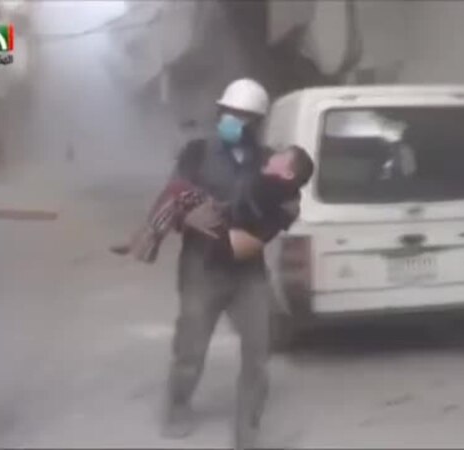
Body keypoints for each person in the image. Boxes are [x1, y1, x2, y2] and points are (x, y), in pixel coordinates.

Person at [150, 78, 294, 449]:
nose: (233, 120)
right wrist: (190, 214)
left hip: (248, 270)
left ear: (256, 122)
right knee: (191, 348)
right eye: (228, 113)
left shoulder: (269, 161)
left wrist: (270, 217)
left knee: (258, 353)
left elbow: (288, 206)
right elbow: (172, 195)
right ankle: (178, 403)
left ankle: (248, 431)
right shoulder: (196, 153)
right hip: (202, 268)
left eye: (242, 116)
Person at [113, 145, 314, 264]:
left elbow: (245, 209)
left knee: (178, 193)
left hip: (228, 233)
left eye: (282, 157)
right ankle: (147, 242)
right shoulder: (275, 187)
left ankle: (147, 244)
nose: (275, 155)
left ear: (287, 174)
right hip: (228, 227)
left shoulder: (273, 189)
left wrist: (217, 206)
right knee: (178, 195)